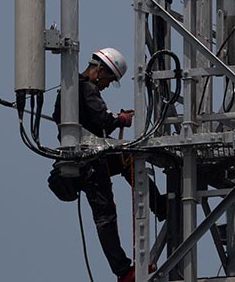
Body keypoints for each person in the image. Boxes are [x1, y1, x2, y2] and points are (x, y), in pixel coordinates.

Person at [50, 48, 165, 282]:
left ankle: (160, 206)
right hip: (91, 163)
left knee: (128, 158)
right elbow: (103, 120)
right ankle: (123, 270)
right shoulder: (88, 88)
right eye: (109, 80)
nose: (106, 86)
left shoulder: (69, 88)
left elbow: (59, 117)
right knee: (105, 216)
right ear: (100, 70)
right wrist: (121, 119)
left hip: (79, 159)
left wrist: (109, 120)